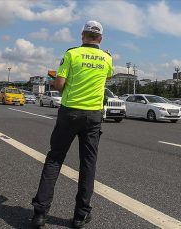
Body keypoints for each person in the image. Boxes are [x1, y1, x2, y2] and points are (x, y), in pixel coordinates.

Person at [31, 20, 113, 228]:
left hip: (70, 112)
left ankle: (40, 213)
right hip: (93, 115)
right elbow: (106, 78)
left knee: (55, 158)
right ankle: (80, 215)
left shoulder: (72, 54)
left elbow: (59, 84)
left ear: (82, 35)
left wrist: (64, 88)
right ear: (100, 39)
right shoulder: (107, 58)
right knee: (88, 163)